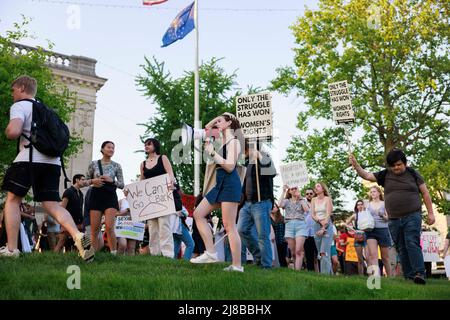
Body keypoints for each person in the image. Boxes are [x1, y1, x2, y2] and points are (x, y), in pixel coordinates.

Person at [0, 75, 94, 261]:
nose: (12, 95)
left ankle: (11, 250)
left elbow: (14, 132)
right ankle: (79, 237)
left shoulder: (20, 106)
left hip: (28, 160)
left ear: (21, 88)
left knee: (12, 201)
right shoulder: (45, 109)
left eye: (13, 90)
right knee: (51, 205)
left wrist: (7, 130)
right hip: (52, 162)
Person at [349, 149, 435, 284]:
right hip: (394, 219)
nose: (396, 167)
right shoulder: (385, 174)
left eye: (399, 164)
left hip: (412, 215)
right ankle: (409, 276)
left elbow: (425, 193)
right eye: (393, 165)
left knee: (412, 242)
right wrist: (356, 165)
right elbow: (366, 175)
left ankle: (419, 273)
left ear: (405, 163)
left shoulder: (413, 174)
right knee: (401, 246)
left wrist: (430, 213)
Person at [190, 113, 244, 272]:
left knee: (229, 226)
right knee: (198, 214)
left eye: (220, 121)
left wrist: (213, 152)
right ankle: (211, 253)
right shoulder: (221, 139)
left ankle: (237, 266)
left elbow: (229, 166)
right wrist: (218, 120)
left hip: (230, 184)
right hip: (220, 183)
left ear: (229, 123)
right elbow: (206, 128)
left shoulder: (234, 141)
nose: (217, 123)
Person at [237, 140, 277, 269]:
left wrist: (259, 154)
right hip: (247, 204)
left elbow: (272, 172)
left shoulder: (264, 159)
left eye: (246, 149)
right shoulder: (247, 163)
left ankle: (266, 265)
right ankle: (259, 256)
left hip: (261, 202)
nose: (244, 152)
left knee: (262, 235)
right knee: (241, 230)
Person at [140, 137, 178, 258]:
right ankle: (154, 254)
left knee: (164, 225)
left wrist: (172, 182)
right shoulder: (143, 164)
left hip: (164, 198)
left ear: (155, 146)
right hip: (150, 200)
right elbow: (142, 181)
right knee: (152, 228)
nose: (146, 146)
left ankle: (168, 254)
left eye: (149, 144)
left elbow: (170, 173)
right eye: (145, 144)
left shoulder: (163, 158)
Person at [85, 141, 124, 255]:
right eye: (108, 147)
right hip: (96, 195)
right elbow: (84, 181)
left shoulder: (117, 165)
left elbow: (122, 184)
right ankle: (92, 255)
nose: (111, 149)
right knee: (94, 229)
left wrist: (112, 181)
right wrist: (93, 181)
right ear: (102, 149)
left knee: (109, 226)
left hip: (110, 196)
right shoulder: (93, 164)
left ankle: (113, 254)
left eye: (113, 148)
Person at [278, 185, 309, 271]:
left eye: (296, 188)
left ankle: (297, 271)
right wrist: (283, 191)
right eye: (292, 189)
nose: (294, 190)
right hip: (289, 226)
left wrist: (300, 198)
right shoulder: (286, 201)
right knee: (293, 252)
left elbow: (306, 210)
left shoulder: (303, 200)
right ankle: (296, 268)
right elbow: (279, 205)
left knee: (299, 250)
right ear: (290, 191)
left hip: (300, 225)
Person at [365, 186, 392, 276]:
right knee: (373, 255)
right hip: (371, 230)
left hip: (383, 230)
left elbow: (388, 218)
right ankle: (376, 277)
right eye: (371, 192)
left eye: (374, 191)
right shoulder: (367, 205)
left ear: (379, 193)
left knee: (385, 257)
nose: (372, 193)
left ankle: (391, 277)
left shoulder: (384, 204)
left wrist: (382, 215)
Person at [54, 174, 86, 252]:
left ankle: (77, 260)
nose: (84, 182)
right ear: (77, 180)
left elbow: (79, 209)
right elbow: (62, 208)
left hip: (79, 223)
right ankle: (53, 258)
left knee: (79, 243)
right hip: (68, 222)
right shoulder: (68, 191)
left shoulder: (81, 194)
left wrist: (82, 222)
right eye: (83, 179)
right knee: (61, 242)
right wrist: (62, 224)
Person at [310, 182, 334, 274]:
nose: (316, 188)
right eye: (315, 187)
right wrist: (319, 222)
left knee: (324, 252)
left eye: (318, 186)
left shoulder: (327, 199)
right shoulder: (313, 200)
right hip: (316, 224)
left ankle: (324, 275)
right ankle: (330, 274)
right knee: (321, 252)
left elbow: (328, 214)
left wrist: (323, 227)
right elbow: (312, 214)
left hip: (327, 224)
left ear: (323, 189)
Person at [346, 200, 368, 275]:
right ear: (356, 206)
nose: (360, 206)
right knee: (360, 259)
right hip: (358, 236)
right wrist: (353, 230)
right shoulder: (355, 215)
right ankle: (361, 276)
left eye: (361, 204)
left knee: (368, 258)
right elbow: (346, 223)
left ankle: (370, 275)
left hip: (366, 236)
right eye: (358, 205)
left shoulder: (367, 214)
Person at [117, 190, 137, 255]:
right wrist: (126, 210)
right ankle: (117, 261)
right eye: (125, 191)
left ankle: (130, 264)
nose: (127, 192)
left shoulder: (137, 201)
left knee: (131, 248)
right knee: (122, 245)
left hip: (133, 227)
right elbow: (114, 214)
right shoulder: (121, 201)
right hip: (122, 226)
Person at [304, 189, 319, 272]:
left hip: (316, 232)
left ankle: (322, 273)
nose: (309, 195)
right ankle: (311, 272)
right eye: (307, 194)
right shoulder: (303, 204)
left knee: (319, 254)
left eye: (311, 193)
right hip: (306, 233)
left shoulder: (318, 203)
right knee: (308, 255)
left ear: (314, 194)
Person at [270, 203, 288, 267]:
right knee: (273, 256)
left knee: (282, 257)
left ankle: (284, 269)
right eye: (272, 206)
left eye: (274, 207)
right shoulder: (267, 218)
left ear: (278, 209)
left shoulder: (282, 218)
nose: (272, 208)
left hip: (282, 240)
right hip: (272, 240)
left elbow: (285, 228)